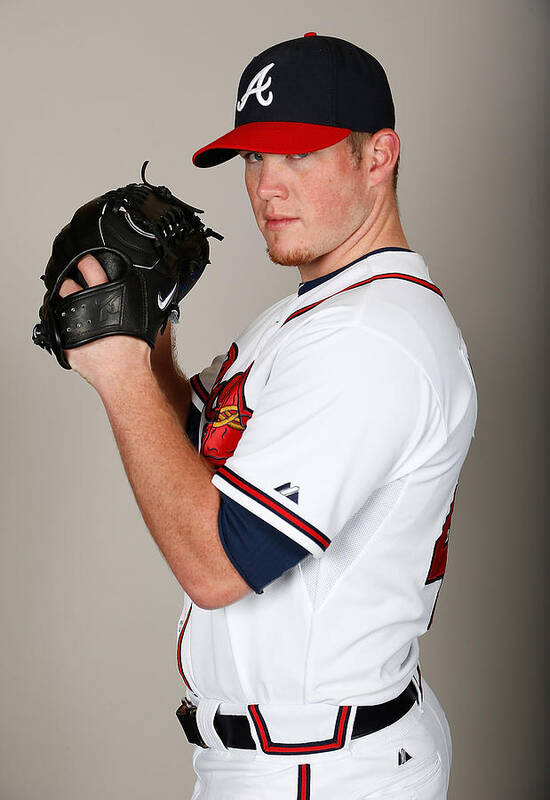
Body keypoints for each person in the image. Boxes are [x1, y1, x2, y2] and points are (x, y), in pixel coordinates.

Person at [60, 33, 477, 800]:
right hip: (291, 758)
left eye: (299, 155)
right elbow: (201, 466)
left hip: (323, 767)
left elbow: (220, 562)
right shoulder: (310, 317)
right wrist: (149, 341)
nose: (266, 188)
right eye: (254, 157)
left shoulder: (372, 336)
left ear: (377, 156)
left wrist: (118, 372)